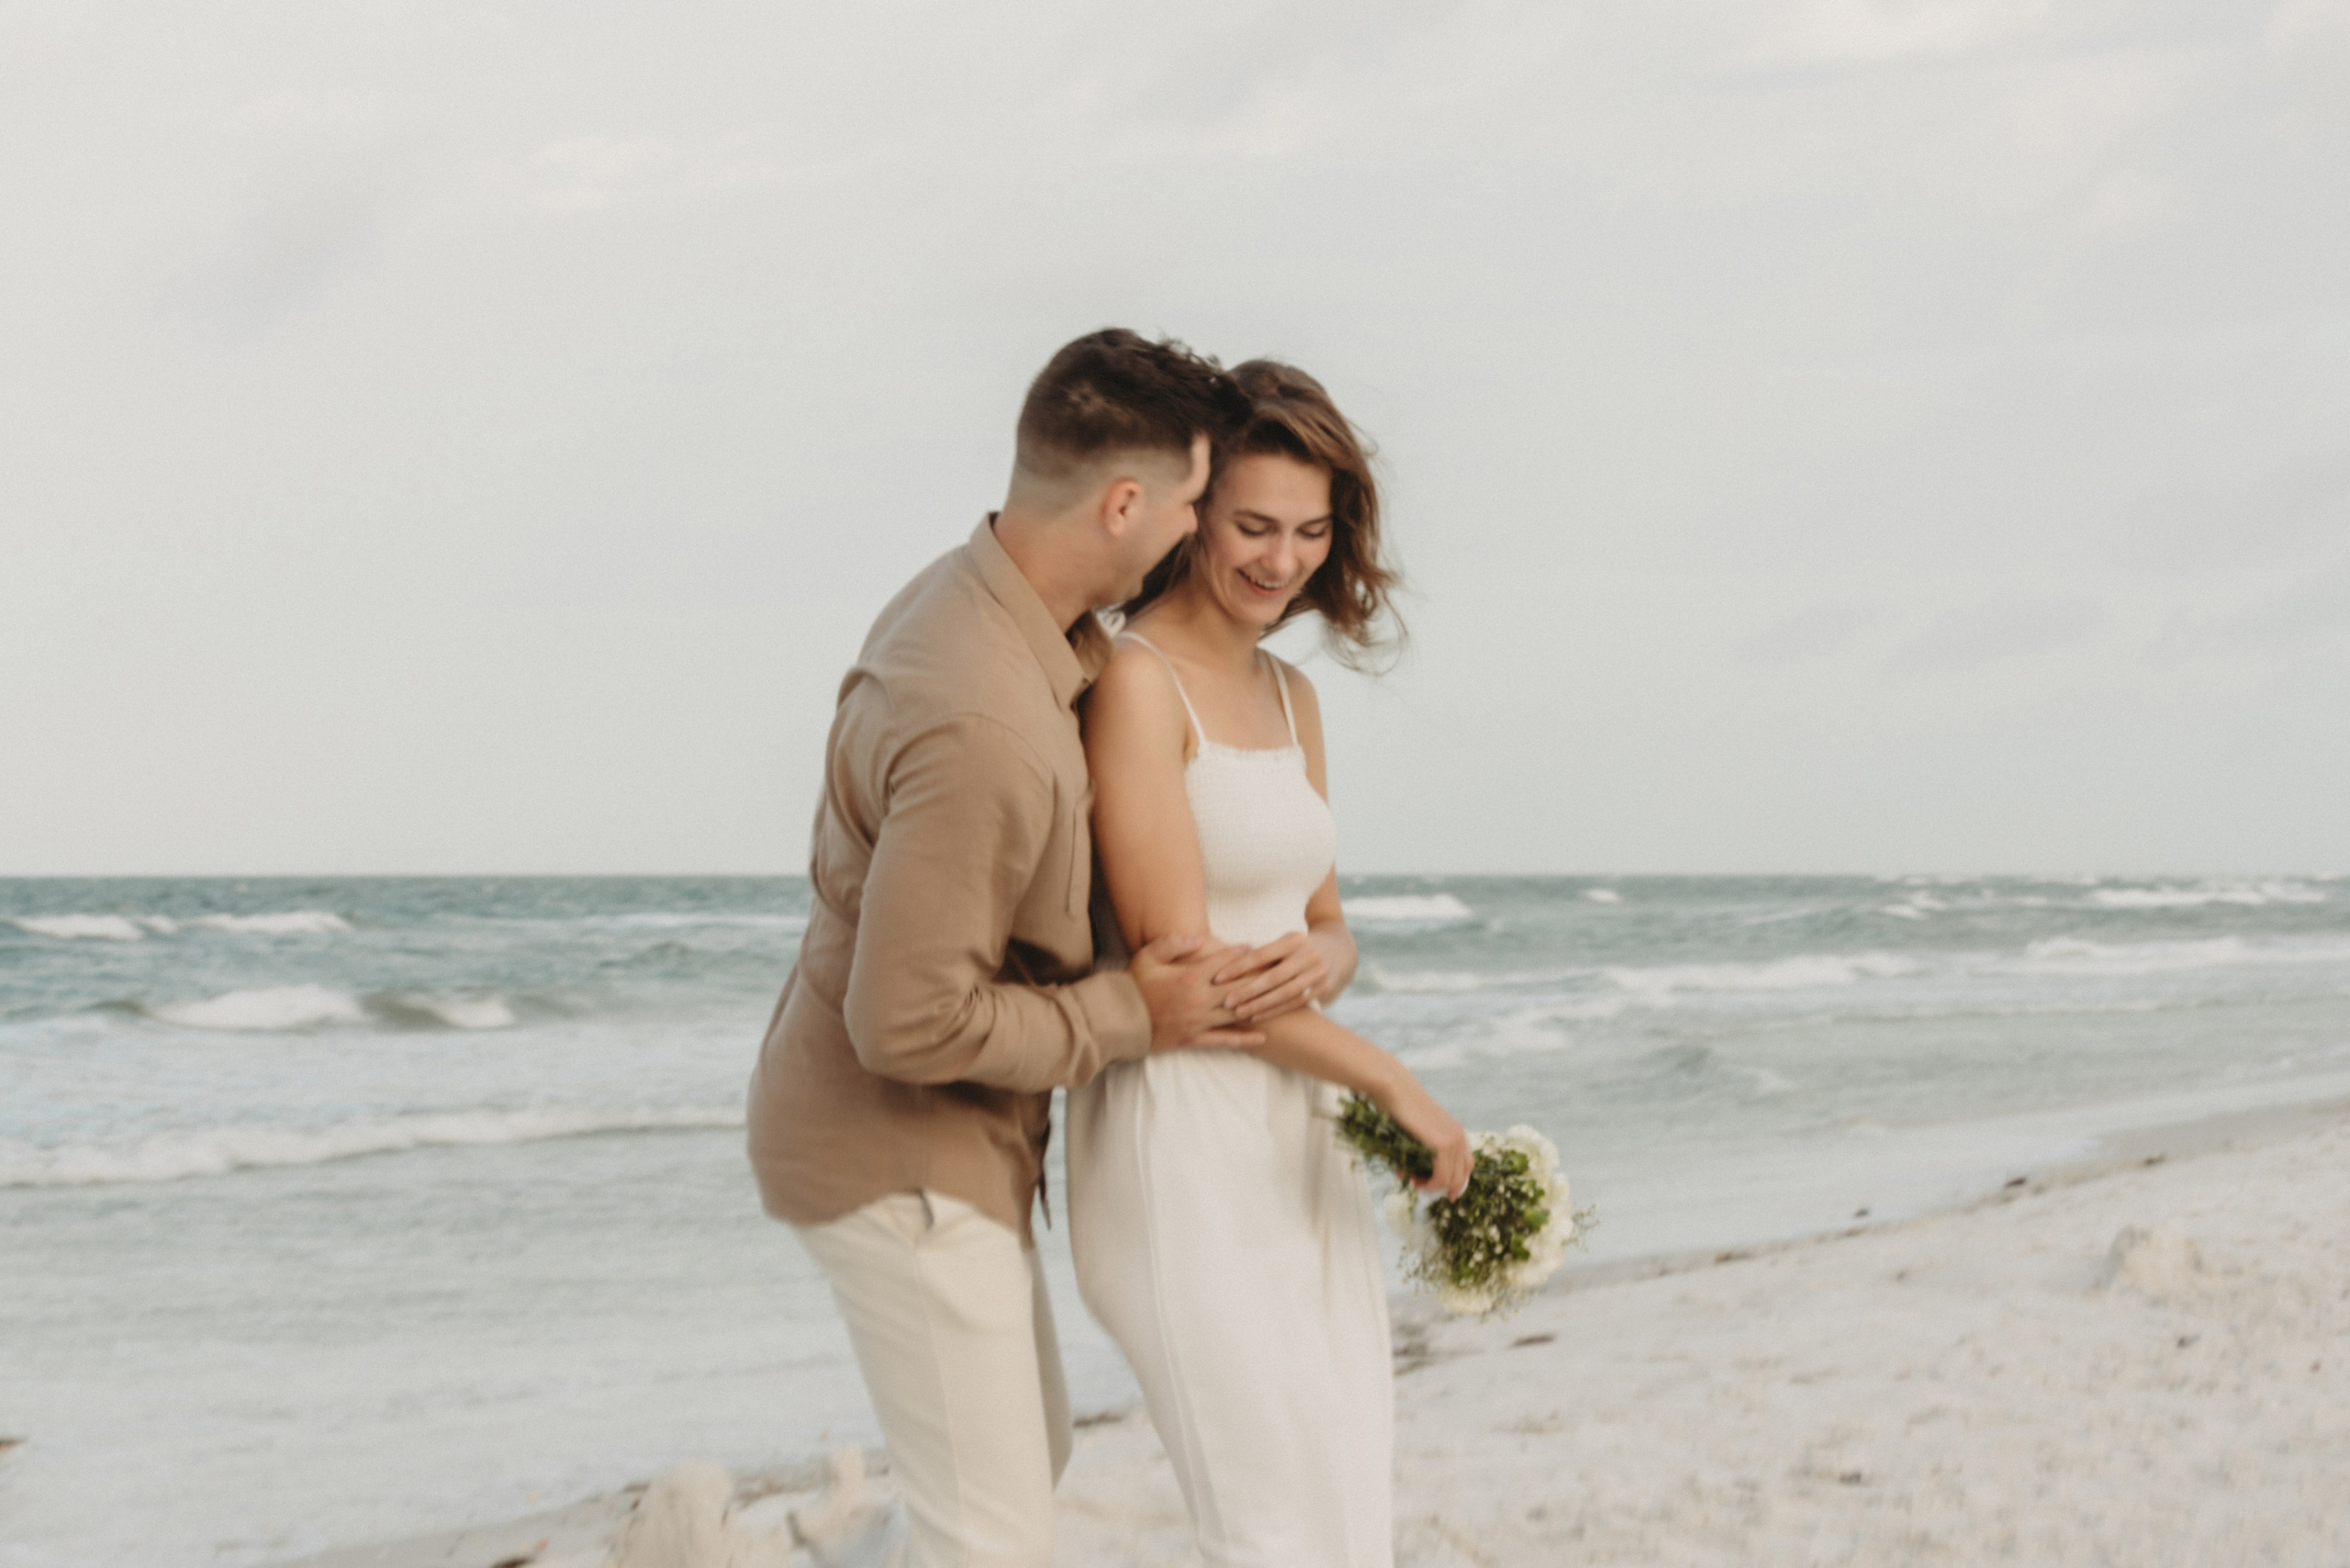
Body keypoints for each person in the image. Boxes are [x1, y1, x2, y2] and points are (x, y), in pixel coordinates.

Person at [745, 329, 1264, 1568]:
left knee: (1026, 1454)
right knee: (996, 1540)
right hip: (893, 1159)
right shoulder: (979, 715)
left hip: (947, 1147)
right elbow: (910, 1023)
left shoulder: (1001, 600)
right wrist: (1137, 1015)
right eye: (1197, 505)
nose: (1204, 532)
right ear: (1124, 503)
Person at [1068, 360, 1472, 1568]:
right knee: (1267, 1520)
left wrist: (1334, 953)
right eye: (1252, 525)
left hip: (1298, 1131)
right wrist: (1389, 1080)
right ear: (1189, 517)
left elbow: (1323, 924)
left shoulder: (1294, 696)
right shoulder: (1136, 687)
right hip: (1179, 1133)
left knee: (1347, 1485)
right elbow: (1186, 973)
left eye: (1310, 531)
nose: (1281, 561)